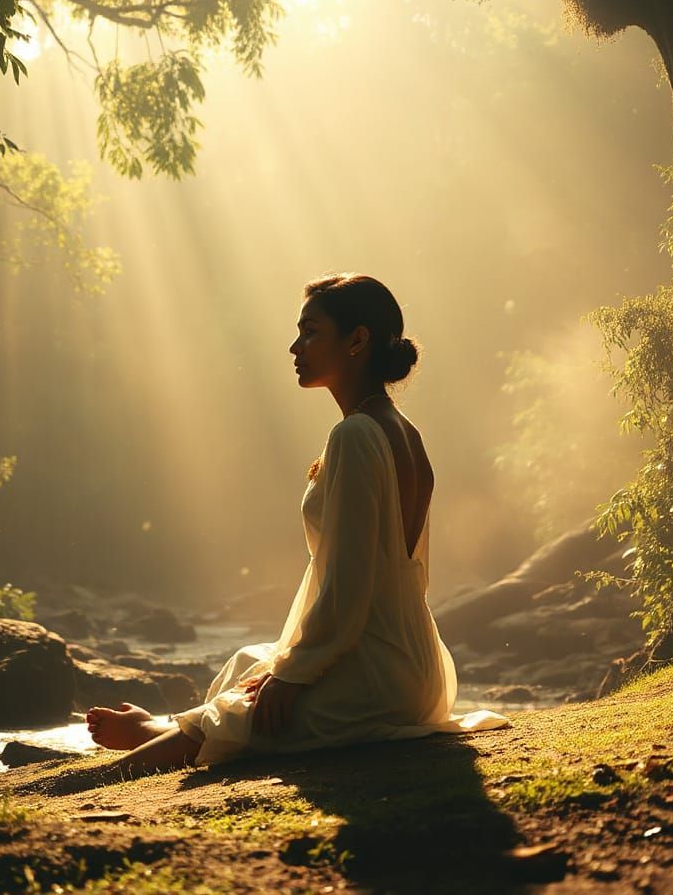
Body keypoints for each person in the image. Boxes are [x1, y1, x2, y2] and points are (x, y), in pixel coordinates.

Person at [85, 273, 510, 777]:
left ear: (357, 340)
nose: (295, 346)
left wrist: (295, 675)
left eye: (311, 332)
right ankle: (160, 730)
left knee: (251, 705)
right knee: (250, 662)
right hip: (414, 661)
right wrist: (290, 666)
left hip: (377, 676)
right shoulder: (403, 429)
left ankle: (105, 773)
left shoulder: (356, 435)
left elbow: (349, 581)